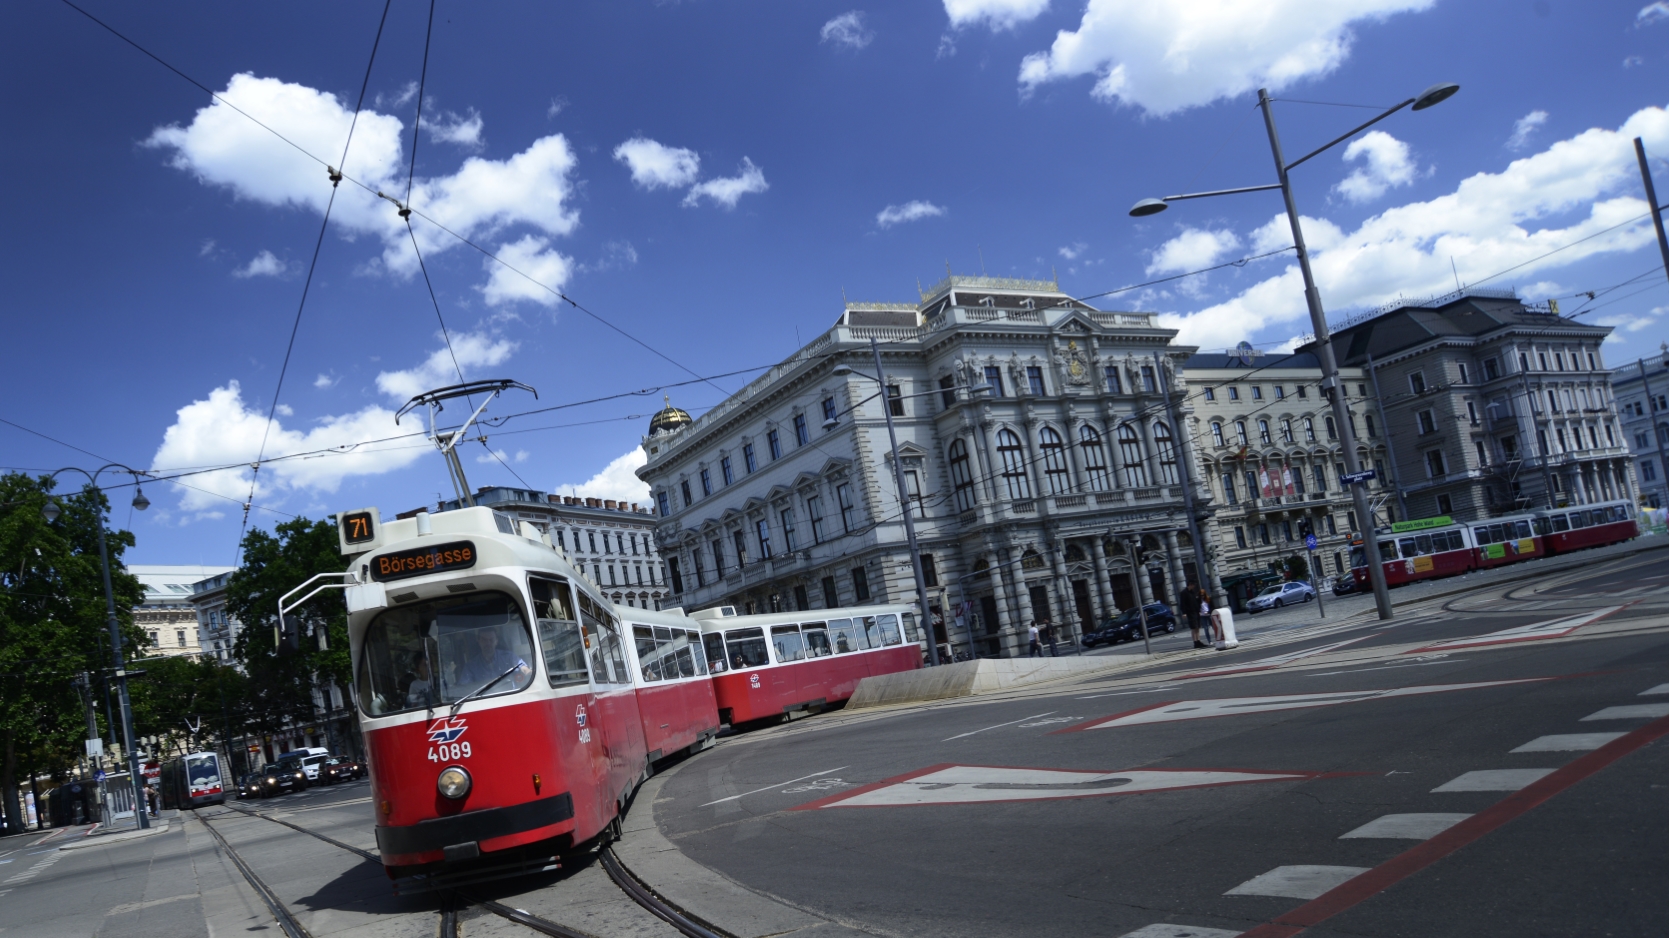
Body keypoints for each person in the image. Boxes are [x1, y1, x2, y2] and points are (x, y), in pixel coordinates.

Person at [456, 627, 530, 689]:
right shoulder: (471, 666)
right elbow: (464, 687)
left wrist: (528, 672)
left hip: (511, 698)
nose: (488, 643)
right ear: (479, 641)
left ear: (496, 641)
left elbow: (523, 667)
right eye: (484, 640)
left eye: (491, 640)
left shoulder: (509, 657)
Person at [1183, 585, 1207, 649]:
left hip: (1196, 612)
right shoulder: (1184, 593)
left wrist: (1199, 610)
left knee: (1197, 627)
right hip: (1190, 612)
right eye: (1193, 585)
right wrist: (1184, 612)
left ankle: (1198, 640)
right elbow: (1183, 603)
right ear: (1190, 585)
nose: (1193, 586)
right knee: (1193, 627)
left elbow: (1197, 602)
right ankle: (1195, 642)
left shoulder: (1193, 592)